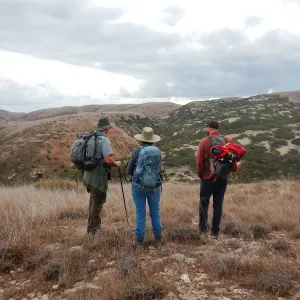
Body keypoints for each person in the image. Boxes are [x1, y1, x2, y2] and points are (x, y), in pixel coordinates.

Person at [83, 115, 121, 236]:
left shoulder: (90, 138)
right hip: (98, 177)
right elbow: (108, 160)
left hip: (88, 175)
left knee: (93, 201)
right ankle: (94, 232)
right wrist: (117, 164)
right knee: (97, 203)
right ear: (106, 129)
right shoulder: (104, 140)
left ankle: (90, 229)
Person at [126, 127, 163, 249]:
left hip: (138, 187)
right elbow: (158, 170)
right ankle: (158, 241)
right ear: (153, 140)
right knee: (155, 213)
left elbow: (129, 170)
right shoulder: (157, 152)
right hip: (154, 187)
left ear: (141, 140)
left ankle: (139, 242)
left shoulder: (137, 152)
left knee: (140, 213)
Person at [196, 120, 234, 238]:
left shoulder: (204, 141)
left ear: (209, 128)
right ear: (218, 129)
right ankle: (215, 231)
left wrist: (200, 174)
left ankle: (203, 230)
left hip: (208, 177)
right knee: (218, 205)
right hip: (222, 177)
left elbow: (200, 160)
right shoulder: (227, 140)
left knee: (204, 203)